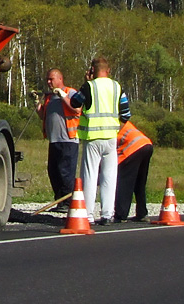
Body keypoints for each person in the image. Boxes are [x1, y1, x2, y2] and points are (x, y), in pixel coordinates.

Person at [60, 57, 130, 226]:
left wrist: (86, 82)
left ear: (92, 70)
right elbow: (126, 114)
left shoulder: (89, 86)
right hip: (111, 138)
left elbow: (75, 102)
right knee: (109, 177)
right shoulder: (117, 87)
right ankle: (107, 214)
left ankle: (88, 215)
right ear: (109, 70)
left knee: (89, 176)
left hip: (92, 138)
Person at [36, 68, 80, 208]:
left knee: (65, 172)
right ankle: (60, 201)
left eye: (51, 79)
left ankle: (68, 202)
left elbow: (77, 109)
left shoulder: (70, 93)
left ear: (60, 79)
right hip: (54, 139)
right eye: (47, 79)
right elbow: (44, 116)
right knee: (53, 171)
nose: (49, 82)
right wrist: (37, 103)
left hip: (68, 140)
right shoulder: (49, 97)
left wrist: (62, 95)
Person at [114, 118, 153, 222]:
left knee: (124, 182)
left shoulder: (111, 131)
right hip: (147, 145)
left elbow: (114, 157)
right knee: (139, 183)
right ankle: (142, 213)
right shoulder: (124, 125)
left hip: (134, 148)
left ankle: (121, 215)